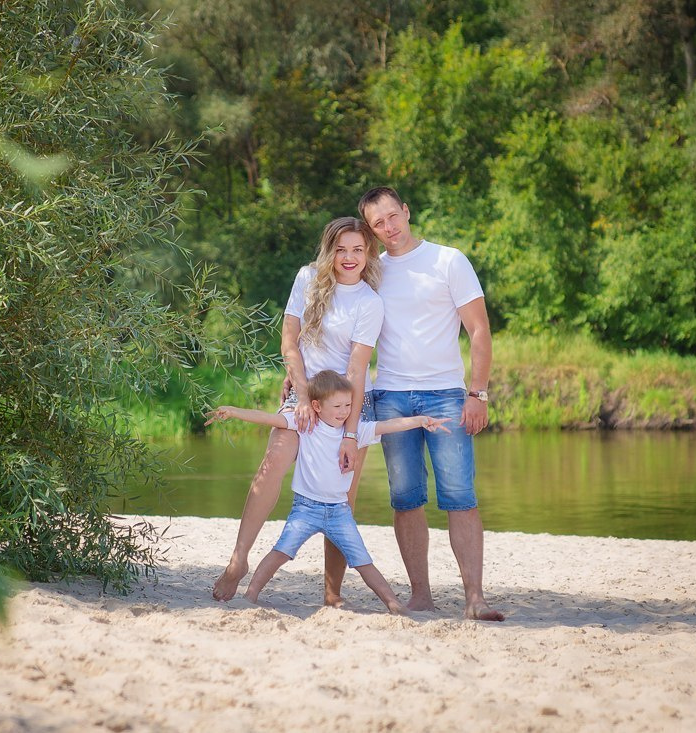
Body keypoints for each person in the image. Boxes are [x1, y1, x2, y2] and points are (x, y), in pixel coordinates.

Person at [211, 217, 384, 606]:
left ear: (369, 252)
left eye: (358, 249)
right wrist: (302, 393)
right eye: (341, 249)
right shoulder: (307, 278)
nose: (349, 257)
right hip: (305, 395)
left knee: (342, 500)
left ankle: (332, 592)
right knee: (271, 467)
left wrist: (352, 433)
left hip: (349, 405)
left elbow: (357, 370)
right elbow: (290, 341)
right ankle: (239, 562)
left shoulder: (370, 303)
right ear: (329, 251)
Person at [357, 186, 505, 621]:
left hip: (445, 394)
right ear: (371, 230)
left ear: (406, 210)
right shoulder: (373, 272)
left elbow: (479, 330)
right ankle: (420, 595)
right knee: (405, 498)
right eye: (377, 224)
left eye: (392, 216)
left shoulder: (448, 260)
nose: (389, 228)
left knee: (460, 495)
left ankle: (475, 598)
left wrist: (477, 393)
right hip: (392, 397)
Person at [206, 369, 450, 613]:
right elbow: (269, 419)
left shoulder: (354, 433)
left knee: (363, 561)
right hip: (305, 509)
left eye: (348, 405)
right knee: (280, 553)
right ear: (317, 406)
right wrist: (234, 412)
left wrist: (420, 421)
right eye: (338, 406)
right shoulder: (304, 425)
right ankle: (250, 596)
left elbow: (387, 426)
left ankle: (393, 604)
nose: (344, 412)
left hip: (339, 513)